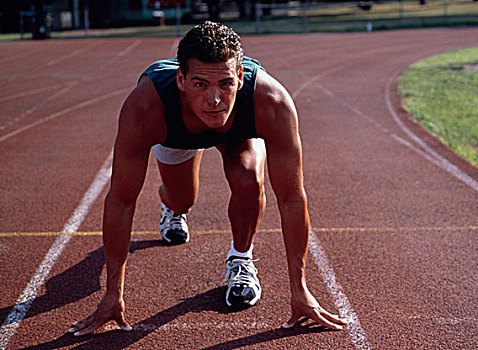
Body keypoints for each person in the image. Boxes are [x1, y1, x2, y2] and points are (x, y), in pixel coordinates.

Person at [69, 21, 347, 336]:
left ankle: (241, 260)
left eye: (225, 83)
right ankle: (171, 208)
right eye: (200, 84)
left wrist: (300, 290)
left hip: (237, 131)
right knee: (182, 198)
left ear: (240, 78)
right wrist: (112, 294)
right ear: (181, 79)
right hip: (177, 132)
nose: (214, 99)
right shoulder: (146, 107)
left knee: (247, 181)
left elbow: (292, 198)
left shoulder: (271, 103)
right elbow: (121, 201)